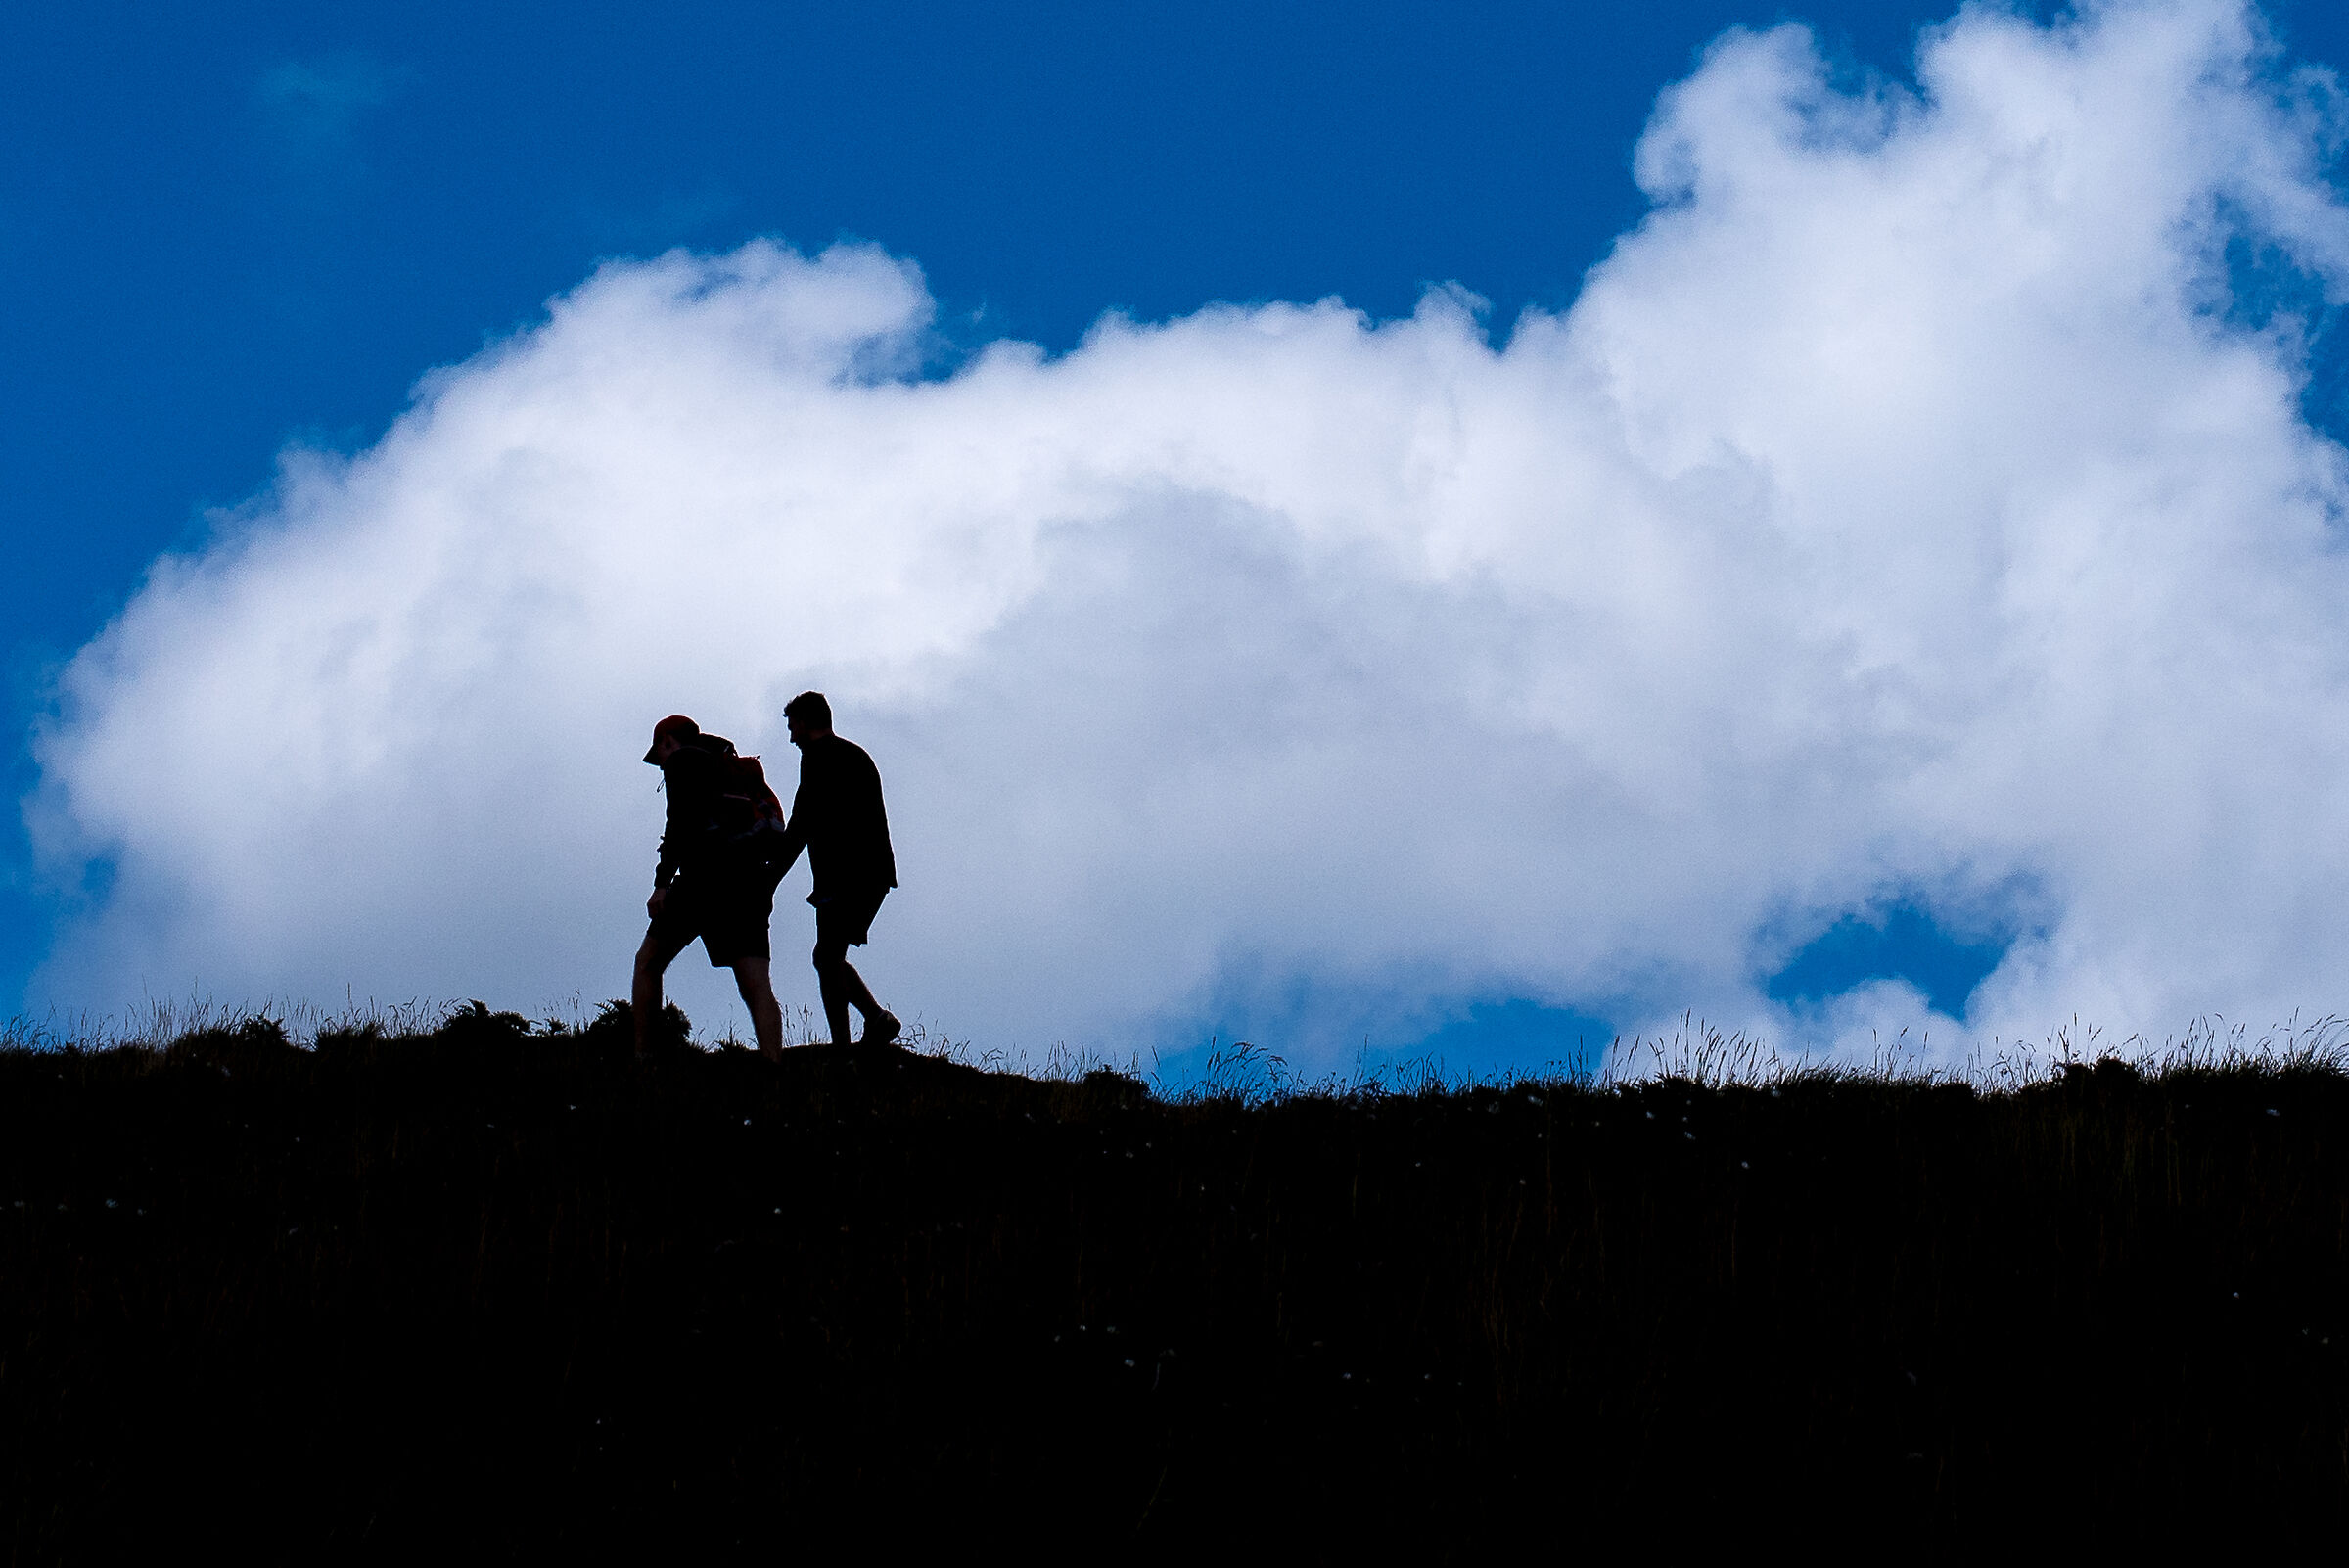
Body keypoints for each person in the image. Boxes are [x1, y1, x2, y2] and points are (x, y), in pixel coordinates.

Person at [632, 715, 786, 1059]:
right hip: (749, 883)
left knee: (648, 961)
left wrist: (661, 884)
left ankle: (644, 1058)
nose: (661, 766)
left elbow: (679, 824)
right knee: (755, 981)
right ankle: (774, 1065)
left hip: (704, 880)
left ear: (667, 741)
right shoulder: (732, 767)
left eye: (660, 755)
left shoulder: (683, 761)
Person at [772, 691, 901, 1047]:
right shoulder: (855, 755)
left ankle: (847, 1043)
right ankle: (873, 1022)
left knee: (827, 958)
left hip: (845, 875)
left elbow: (802, 823)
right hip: (870, 873)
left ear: (805, 722)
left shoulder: (818, 757)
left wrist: (770, 879)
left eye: (793, 727)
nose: (791, 737)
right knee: (828, 957)